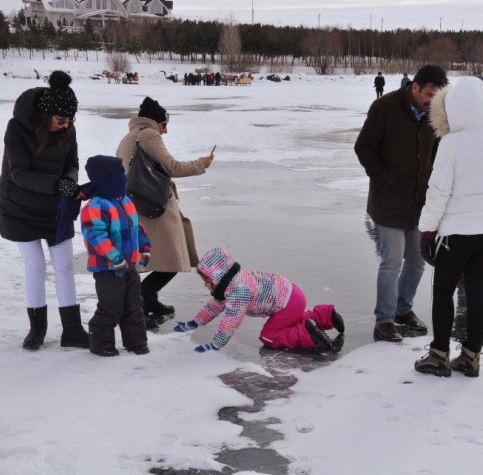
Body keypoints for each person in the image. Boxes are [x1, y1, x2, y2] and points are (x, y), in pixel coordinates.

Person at [413, 77, 483, 378]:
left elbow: (438, 192)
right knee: (477, 292)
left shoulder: (451, 144)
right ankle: (471, 357)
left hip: (456, 235)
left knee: (444, 291)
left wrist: (427, 231)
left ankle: (439, 355)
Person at [355, 65, 448, 342]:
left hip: (420, 202)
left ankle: (402, 309)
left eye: (438, 95)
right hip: (388, 201)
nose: (433, 99)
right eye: (430, 93)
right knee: (392, 261)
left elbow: (439, 152)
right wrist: (384, 178)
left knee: (417, 263)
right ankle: (383, 321)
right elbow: (364, 147)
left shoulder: (437, 113)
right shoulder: (384, 107)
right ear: (415, 87)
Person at [0, 70, 89, 351]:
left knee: (63, 265)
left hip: (54, 208)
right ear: (44, 114)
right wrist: (58, 185)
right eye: (61, 120)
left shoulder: (67, 128)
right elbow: (19, 174)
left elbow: (72, 162)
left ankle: (73, 330)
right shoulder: (17, 128)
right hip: (18, 206)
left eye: (70, 121)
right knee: (35, 265)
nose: (66, 126)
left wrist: (70, 183)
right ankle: (37, 328)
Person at [116, 97, 213, 326]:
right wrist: (202, 164)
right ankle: (137, 303)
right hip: (154, 207)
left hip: (139, 204)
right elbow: (173, 167)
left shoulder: (129, 137)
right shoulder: (148, 135)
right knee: (172, 261)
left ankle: (147, 300)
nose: (166, 130)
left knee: (158, 258)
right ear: (155, 122)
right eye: (164, 124)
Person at [173, 247, 344, 352]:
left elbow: (230, 322)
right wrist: (194, 322)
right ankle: (325, 315)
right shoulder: (232, 282)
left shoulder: (239, 292)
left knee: (269, 337)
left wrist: (215, 345)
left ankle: (308, 335)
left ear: (218, 277)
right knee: (292, 320)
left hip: (287, 303)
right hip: (293, 294)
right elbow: (214, 306)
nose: (205, 286)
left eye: (207, 281)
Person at [79, 155, 150, 356]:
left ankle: (136, 342)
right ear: (107, 178)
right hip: (107, 269)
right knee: (111, 306)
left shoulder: (125, 200)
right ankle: (101, 344)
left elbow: (137, 227)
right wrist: (115, 258)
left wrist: (144, 247)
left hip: (129, 266)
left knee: (134, 305)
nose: (123, 176)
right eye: (119, 172)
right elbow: (96, 236)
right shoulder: (95, 206)